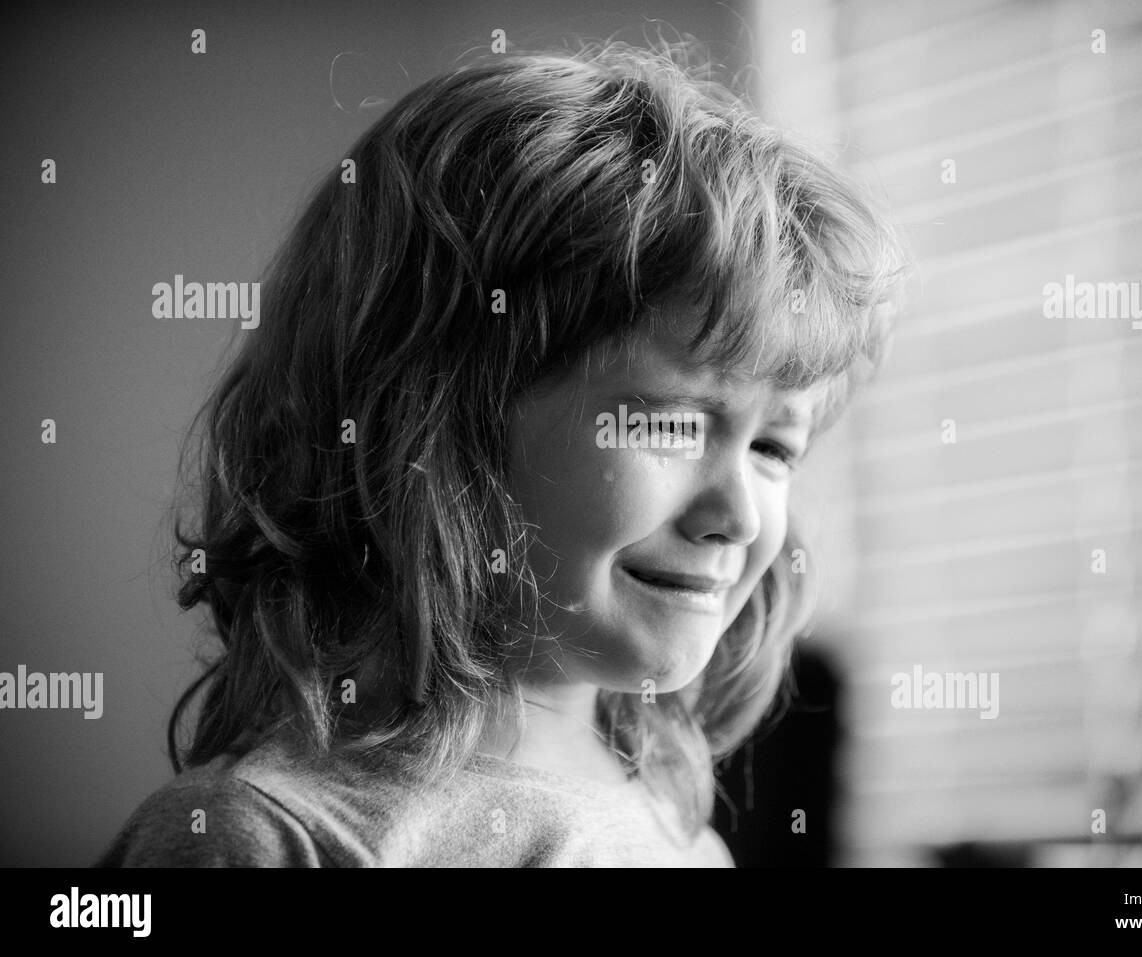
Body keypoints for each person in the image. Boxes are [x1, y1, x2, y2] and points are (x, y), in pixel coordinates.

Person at [96, 37, 908, 867]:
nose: (738, 515)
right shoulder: (261, 834)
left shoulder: (683, 838)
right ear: (432, 428)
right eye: (670, 424)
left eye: (775, 445)